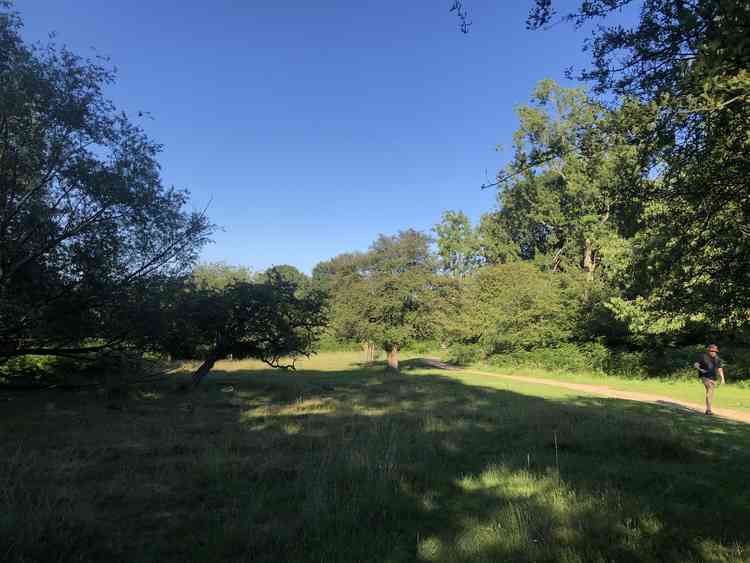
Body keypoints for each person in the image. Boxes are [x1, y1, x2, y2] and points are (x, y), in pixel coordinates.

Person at [694, 344, 725, 415]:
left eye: (715, 351)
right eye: (712, 351)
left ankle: (709, 409)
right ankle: (708, 410)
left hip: (713, 377)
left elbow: (720, 369)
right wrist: (700, 369)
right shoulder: (703, 357)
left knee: (711, 393)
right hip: (704, 376)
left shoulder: (717, 359)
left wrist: (722, 378)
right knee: (710, 389)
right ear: (708, 351)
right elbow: (695, 364)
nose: (713, 352)